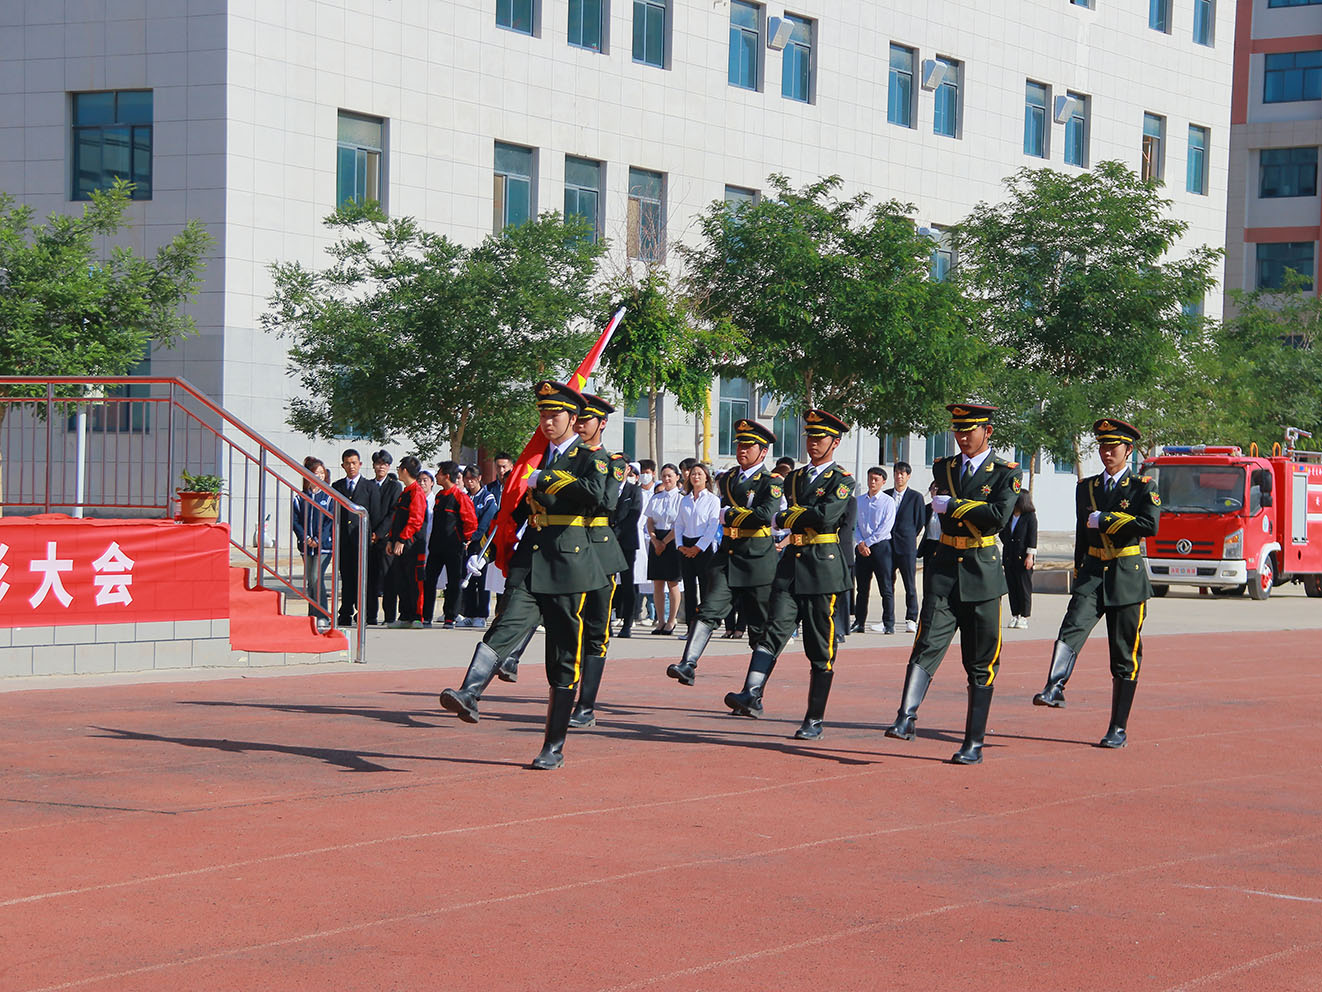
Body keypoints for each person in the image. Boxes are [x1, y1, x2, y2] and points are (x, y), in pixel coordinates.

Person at [440, 381, 610, 771]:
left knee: (563, 656)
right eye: (543, 414)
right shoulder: (535, 458)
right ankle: (469, 692)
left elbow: (599, 495)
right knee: (505, 625)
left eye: (555, 415)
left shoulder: (589, 458)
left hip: (570, 565)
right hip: (533, 559)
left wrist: (547, 480)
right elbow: (518, 509)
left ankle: (553, 744)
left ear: (573, 417)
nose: (547, 421)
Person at [882, 403, 1021, 765]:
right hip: (944, 568)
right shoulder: (945, 466)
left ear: (987, 432)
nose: (962, 436)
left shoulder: (1006, 472)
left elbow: (996, 518)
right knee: (926, 641)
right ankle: (905, 716)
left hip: (982, 572)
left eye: (969, 430)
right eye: (958, 430)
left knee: (980, 659)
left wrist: (955, 505)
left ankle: (973, 742)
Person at [724, 409, 855, 741]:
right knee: (773, 630)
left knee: (819, 645)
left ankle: (814, 718)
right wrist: (794, 517)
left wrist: (792, 516)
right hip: (791, 565)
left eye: (820, 438)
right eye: (809, 437)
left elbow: (826, 518)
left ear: (835, 442)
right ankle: (751, 691)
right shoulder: (794, 478)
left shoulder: (843, 479)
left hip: (822, 568)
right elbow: (780, 518)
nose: (813, 443)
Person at [1033, 418, 1161, 749]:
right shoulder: (1087, 487)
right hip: (1092, 571)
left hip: (1126, 575)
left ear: (1128, 450)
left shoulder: (1143, 485)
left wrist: (1107, 519)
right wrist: (1078, 571)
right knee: (1072, 626)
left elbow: (1150, 524)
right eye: (1102, 446)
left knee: (1124, 652)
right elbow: (1081, 534)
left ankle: (1118, 726)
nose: (1106, 452)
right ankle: (1054, 686)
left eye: (1113, 447)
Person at [667, 419, 779, 686]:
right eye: (740, 444)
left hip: (757, 560)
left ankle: (753, 691)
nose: (742, 450)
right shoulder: (727, 478)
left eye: (748, 446)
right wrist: (732, 517)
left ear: (762, 452)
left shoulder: (771, 481)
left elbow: (764, 516)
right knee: (708, 609)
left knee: (759, 629)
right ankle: (688, 663)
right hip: (728, 555)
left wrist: (729, 514)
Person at [567, 392, 628, 729]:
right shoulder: (567, 457)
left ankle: (585, 705)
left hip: (600, 548)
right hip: (570, 546)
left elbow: (607, 500)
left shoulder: (612, 462)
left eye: (586, 419)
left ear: (601, 424)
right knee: (567, 623)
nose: (579, 424)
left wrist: (568, 486)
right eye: (577, 418)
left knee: (596, 629)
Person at [424, 461, 477, 629]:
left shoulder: (460, 496)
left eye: (439, 473)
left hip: (454, 546)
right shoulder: (440, 496)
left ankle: (450, 617)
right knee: (429, 580)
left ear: (446, 476)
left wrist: (465, 539)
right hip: (436, 546)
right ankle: (426, 616)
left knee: (453, 582)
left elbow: (471, 522)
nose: (436, 477)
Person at [332, 448, 378, 627]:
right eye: (347, 463)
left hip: (362, 541)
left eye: (354, 463)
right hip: (344, 541)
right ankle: (345, 612)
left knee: (363, 578)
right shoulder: (337, 486)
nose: (351, 466)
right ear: (343, 465)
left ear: (360, 464)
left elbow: (375, 513)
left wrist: (375, 535)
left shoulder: (369, 487)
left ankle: (364, 612)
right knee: (347, 578)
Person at [674, 461, 722, 635]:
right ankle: (690, 627)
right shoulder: (684, 500)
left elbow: (712, 526)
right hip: (685, 545)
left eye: (699, 474)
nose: (695, 477)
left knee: (705, 586)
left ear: (706, 477)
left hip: (704, 547)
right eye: (693, 474)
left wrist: (698, 547)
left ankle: (704, 626)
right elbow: (678, 524)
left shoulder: (712, 500)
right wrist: (680, 545)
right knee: (689, 587)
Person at [386, 455, 428, 629]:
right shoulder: (406, 492)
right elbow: (397, 519)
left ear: (404, 470)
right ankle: (404, 616)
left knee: (414, 581)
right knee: (401, 579)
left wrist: (403, 539)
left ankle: (417, 617)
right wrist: (391, 539)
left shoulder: (416, 492)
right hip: (399, 544)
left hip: (412, 545)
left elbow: (416, 520)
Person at [291, 456, 334, 628]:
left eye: (322, 473)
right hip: (306, 546)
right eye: (316, 473)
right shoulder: (301, 497)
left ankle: (323, 613)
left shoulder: (329, 497)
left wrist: (318, 539)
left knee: (317, 577)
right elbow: (296, 521)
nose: (319, 476)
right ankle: (312, 614)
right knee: (310, 580)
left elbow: (329, 522)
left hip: (324, 546)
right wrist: (305, 538)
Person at [853, 467, 896, 634]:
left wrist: (868, 543)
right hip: (862, 547)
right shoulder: (859, 501)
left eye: (876, 479)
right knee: (862, 588)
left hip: (880, 547)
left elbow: (886, 527)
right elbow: (855, 525)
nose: (872, 482)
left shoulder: (888, 501)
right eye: (870, 478)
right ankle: (859, 621)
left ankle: (889, 623)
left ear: (883, 482)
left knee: (885, 587)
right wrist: (860, 543)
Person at [887, 461, 926, 633]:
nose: (899, 476)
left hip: (907, 546)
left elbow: (919, 522)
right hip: (887, 545)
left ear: (908, 476)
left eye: (903, 473)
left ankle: (911, 618)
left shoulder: (916, 497)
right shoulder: (886, 495)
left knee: (909, 584)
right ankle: (888, 619)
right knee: (887, 584)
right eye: (897, 472)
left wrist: (908, 535)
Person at [644, 464, 683, 634]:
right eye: (664, 476)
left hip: (672, 540)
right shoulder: (656, 497)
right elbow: (650, 520)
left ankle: (671, 620)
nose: (667, 479)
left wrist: (664, 542)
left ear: (677, 477)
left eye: (670, 476)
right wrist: (654, 539)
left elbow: (679, 524)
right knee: (657, 582)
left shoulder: (682, 498)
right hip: (656, 538)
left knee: (672, 582)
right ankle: (660, 621)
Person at [460, 465, 498, 627]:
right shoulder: (465, 497)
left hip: (480, 544)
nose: (470, 482)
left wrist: (473, 537)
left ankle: (481, 614)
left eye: (473, 479)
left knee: (481, 580)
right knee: (466, 577)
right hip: (465, 544)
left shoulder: (488, 498)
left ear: (479, 478)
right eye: (467, 479)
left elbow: (486, 523)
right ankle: (469, 613)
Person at [368, 450, 401, 625]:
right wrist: (370, 533)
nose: (381, 467)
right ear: (374, 465)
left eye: (385, 464)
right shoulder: (368, 485)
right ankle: (370, 615)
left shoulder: (394, 486)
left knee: (389, 579)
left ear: (389, 467)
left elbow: (393, 512)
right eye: (378, 463)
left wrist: (379, 533)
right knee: (370, 579)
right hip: (369, 539)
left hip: (386, 538)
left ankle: (389, 616)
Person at [613, 459, 643, 638]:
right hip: (607, 541)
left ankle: (627, 623)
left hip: (626, 542)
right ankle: (606, 622)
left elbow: (634, 515)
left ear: (628, 470)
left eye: (622, 468)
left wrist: (616, 533)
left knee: (627, 583)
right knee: (607, 584)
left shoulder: (634, 490)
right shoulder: (607, 488)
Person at [1001, 488, 1038, 630]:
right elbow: (1003, 533)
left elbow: (1032, 537)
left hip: (1023, 557)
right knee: (1012, 587)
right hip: (1010, 557)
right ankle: (1015, 614)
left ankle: (1024, 616)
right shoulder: (1009, 516)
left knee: (1024, 588)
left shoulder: (1030, 516)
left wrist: (1030, 556)